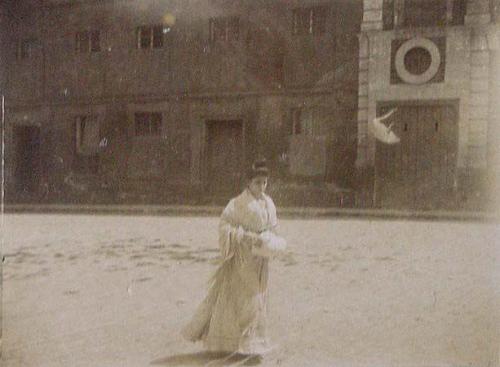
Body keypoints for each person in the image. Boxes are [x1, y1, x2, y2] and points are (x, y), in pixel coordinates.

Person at [181, 159, 286, 360]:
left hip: (261, 259)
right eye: (257, 183)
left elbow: (274, 227)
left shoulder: (268, 203)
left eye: (264, 183)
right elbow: (224, 226)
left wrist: (271, 240)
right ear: (248, 183)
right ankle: (239, 344)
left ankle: (253, 341)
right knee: (247, 299)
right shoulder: (237, 203)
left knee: (259, 298)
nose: (261, 187)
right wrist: (242, 236)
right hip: (242, 259)